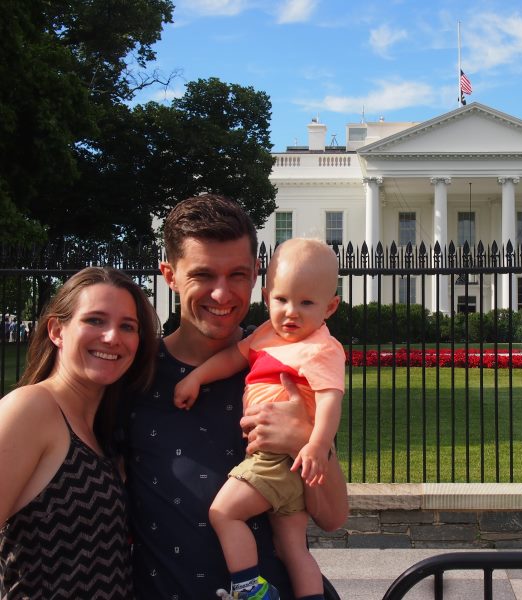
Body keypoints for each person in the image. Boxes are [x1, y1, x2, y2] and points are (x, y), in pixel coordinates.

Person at [122, 195, 349, 600]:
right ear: (169, 275)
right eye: (204, 275)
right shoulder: (136, 376)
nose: (223, 294)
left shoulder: (283, 365)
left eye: (238, 275)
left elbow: (332, 517)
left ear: (256, 275)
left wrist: (305, 439)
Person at [174, 238, 344, 600]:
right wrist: (197, 377)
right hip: (288, 465)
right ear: (266, 296)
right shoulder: (266, 336)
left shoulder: (320, 348)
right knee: (291, 547)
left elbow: (331, 399)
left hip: (274, 460)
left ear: (330, 307)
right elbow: (233, 360)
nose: (291, 313)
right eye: (282, 300)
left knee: (223, 512)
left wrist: (313, 442)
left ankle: (250, 589)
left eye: (307, 303)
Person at [0, 267, 159, 598]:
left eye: (127, 326)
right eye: (95, 320)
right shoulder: (31, 409)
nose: (112, 336)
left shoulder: (101, 430)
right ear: (57, 330)